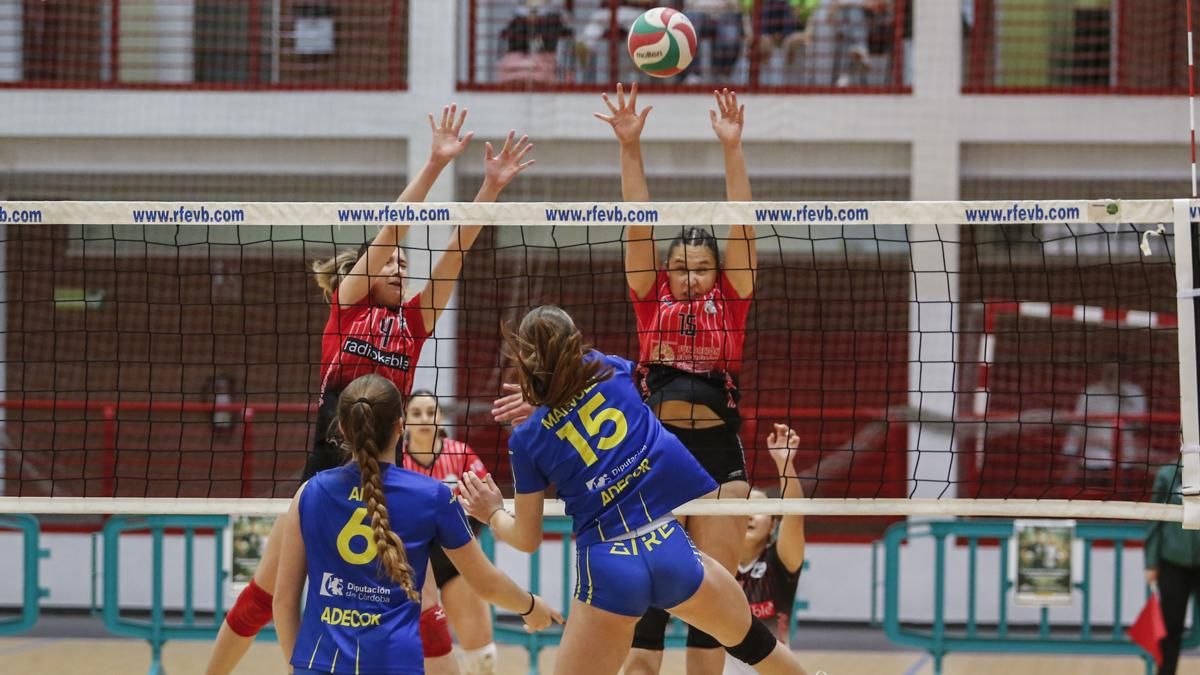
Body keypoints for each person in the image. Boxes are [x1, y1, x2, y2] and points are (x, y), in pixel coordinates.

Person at [205, 106, 536, 675]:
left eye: (407, 265)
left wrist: (490, 186)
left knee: (421, 599)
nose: (402, 267)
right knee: (266, 593)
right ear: (361, 268)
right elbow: (391, 232)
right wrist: (435, 163)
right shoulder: (348, 304)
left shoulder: (413, 323)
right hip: (324, 475)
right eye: (392, 262)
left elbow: (455, 251)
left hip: (388, 480)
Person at [460, 305, 810, 675]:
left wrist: (493, 514)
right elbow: (588, 383)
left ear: (524, 362)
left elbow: (527, 538)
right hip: (668, 547)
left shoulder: (528, 438)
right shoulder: (611, 370)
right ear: (576, 346)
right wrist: (545, 397)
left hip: (609, 567)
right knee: (758, 646)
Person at [602, 82, 757, 675]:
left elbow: (742, 224)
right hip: (656, 453)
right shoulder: (650, 296)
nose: (691, 277)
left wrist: (731, 148)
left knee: (711, 606)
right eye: (682, 268)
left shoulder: (734, 299)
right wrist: (630, 146)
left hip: (718, 455)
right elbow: (637, 224)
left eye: (701, 268)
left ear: (717, 273)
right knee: (649, 608)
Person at [273, 374, 562, 675]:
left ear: (343, 428)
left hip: (320, 665)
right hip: (394, 663)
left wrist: (300, 666)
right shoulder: (433, 496)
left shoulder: (308, 493)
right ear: (401, 427)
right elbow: (486, 581)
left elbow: (283, 602)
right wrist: (530, 606)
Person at [402, 390, 499, 674]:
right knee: (420, 651)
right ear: (405, 421)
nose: (423, 419)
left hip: (455, 560)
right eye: (416, 413)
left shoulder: (460, 455)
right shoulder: (397, 459)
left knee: (483, 657)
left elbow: (485, 503)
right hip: (413, 565)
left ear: (440, 419)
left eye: (430, 412)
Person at [724, 424, 806, 675]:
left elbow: (794, 515)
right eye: (743, 508)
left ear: (772, 526)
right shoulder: (718, 563)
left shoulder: (778, 564)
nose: (749, 514)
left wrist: (785, 464)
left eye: (758, 509)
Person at [1145, 462, 1200, 675]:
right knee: (1170, 629)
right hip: (1173, 563)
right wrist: (1151, 561)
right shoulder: (1168, 476)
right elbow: (1154, 519)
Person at [1062, 359, 1147, 486]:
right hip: (1093, 460)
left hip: (1124, 461)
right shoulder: (1090, 392)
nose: (1112, 374)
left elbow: (1139, 423)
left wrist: (1120, 393)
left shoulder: (1134, 392)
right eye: (1109, 370)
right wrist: (1070, 454)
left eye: (1116, 370)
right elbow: (1077, 425)